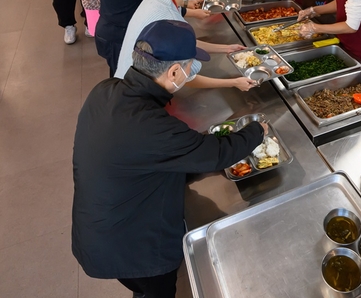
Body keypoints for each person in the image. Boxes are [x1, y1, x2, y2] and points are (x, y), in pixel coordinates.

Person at [72, 19, 267, 298]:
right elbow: (216, 154)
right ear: (174, 71)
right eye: (189, 68)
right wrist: (257, 130)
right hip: (130, 253)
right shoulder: (152, 127)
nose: (190, 73)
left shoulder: (105, 90)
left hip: (96, 229)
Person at [114, 0, 256, 92]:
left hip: (124, 81)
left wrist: (226, 49)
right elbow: (187, 78)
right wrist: (234, 82)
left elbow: (187, 43)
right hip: (136, 91)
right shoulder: (167, 16)